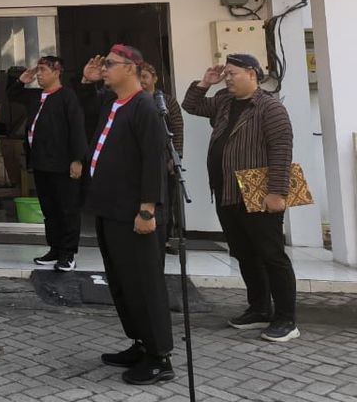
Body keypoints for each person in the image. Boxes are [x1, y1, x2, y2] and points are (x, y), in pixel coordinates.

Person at [182, 53, 298, 343]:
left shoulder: (269, 108)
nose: (228, 78)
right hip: (227, 191)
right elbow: (191, 105)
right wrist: (204, 83)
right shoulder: (223, 100)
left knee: (272, 256)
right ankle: (259, 308)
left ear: (252, 73)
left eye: (233, 73)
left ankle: (286, 319)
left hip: (258, 191)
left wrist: (277, 193)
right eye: (226, 74)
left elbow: (281, 152)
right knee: (244, 253)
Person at [80, 47, 174, 386]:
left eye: (109, 64)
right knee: (122, 283)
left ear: (131, 68)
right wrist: (92, 83)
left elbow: (153, 163)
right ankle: (140, 343)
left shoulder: (145, 108)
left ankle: (159, 356)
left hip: (135, 215)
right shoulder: (114, 104)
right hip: (110, 211)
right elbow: (97, 104)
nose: (103, 68)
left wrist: (148, 209)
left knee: (144, 285)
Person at [9, 56, 86, 271]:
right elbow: (12, 94)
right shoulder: (37, 96)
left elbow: (77, 128)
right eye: (38, 70)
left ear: (57, 71)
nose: (39, 74)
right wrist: (22, 79)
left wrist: (77, 159)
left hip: (63, 163)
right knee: (49, 209)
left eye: (43, 69)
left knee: (67, 209)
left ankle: (68, 252)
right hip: (41, 162)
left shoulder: (67, 96)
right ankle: (55, 247)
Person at [139, 62, 185, 254]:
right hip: (141, 158)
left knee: (167, 199)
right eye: (138, 77)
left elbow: (177, 129)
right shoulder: (134, 101)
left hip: (165, 155)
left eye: (145, 77)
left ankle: (165, 238)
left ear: (154, 78)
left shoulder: (166, 101)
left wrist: (176, 157)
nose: (141, 81)